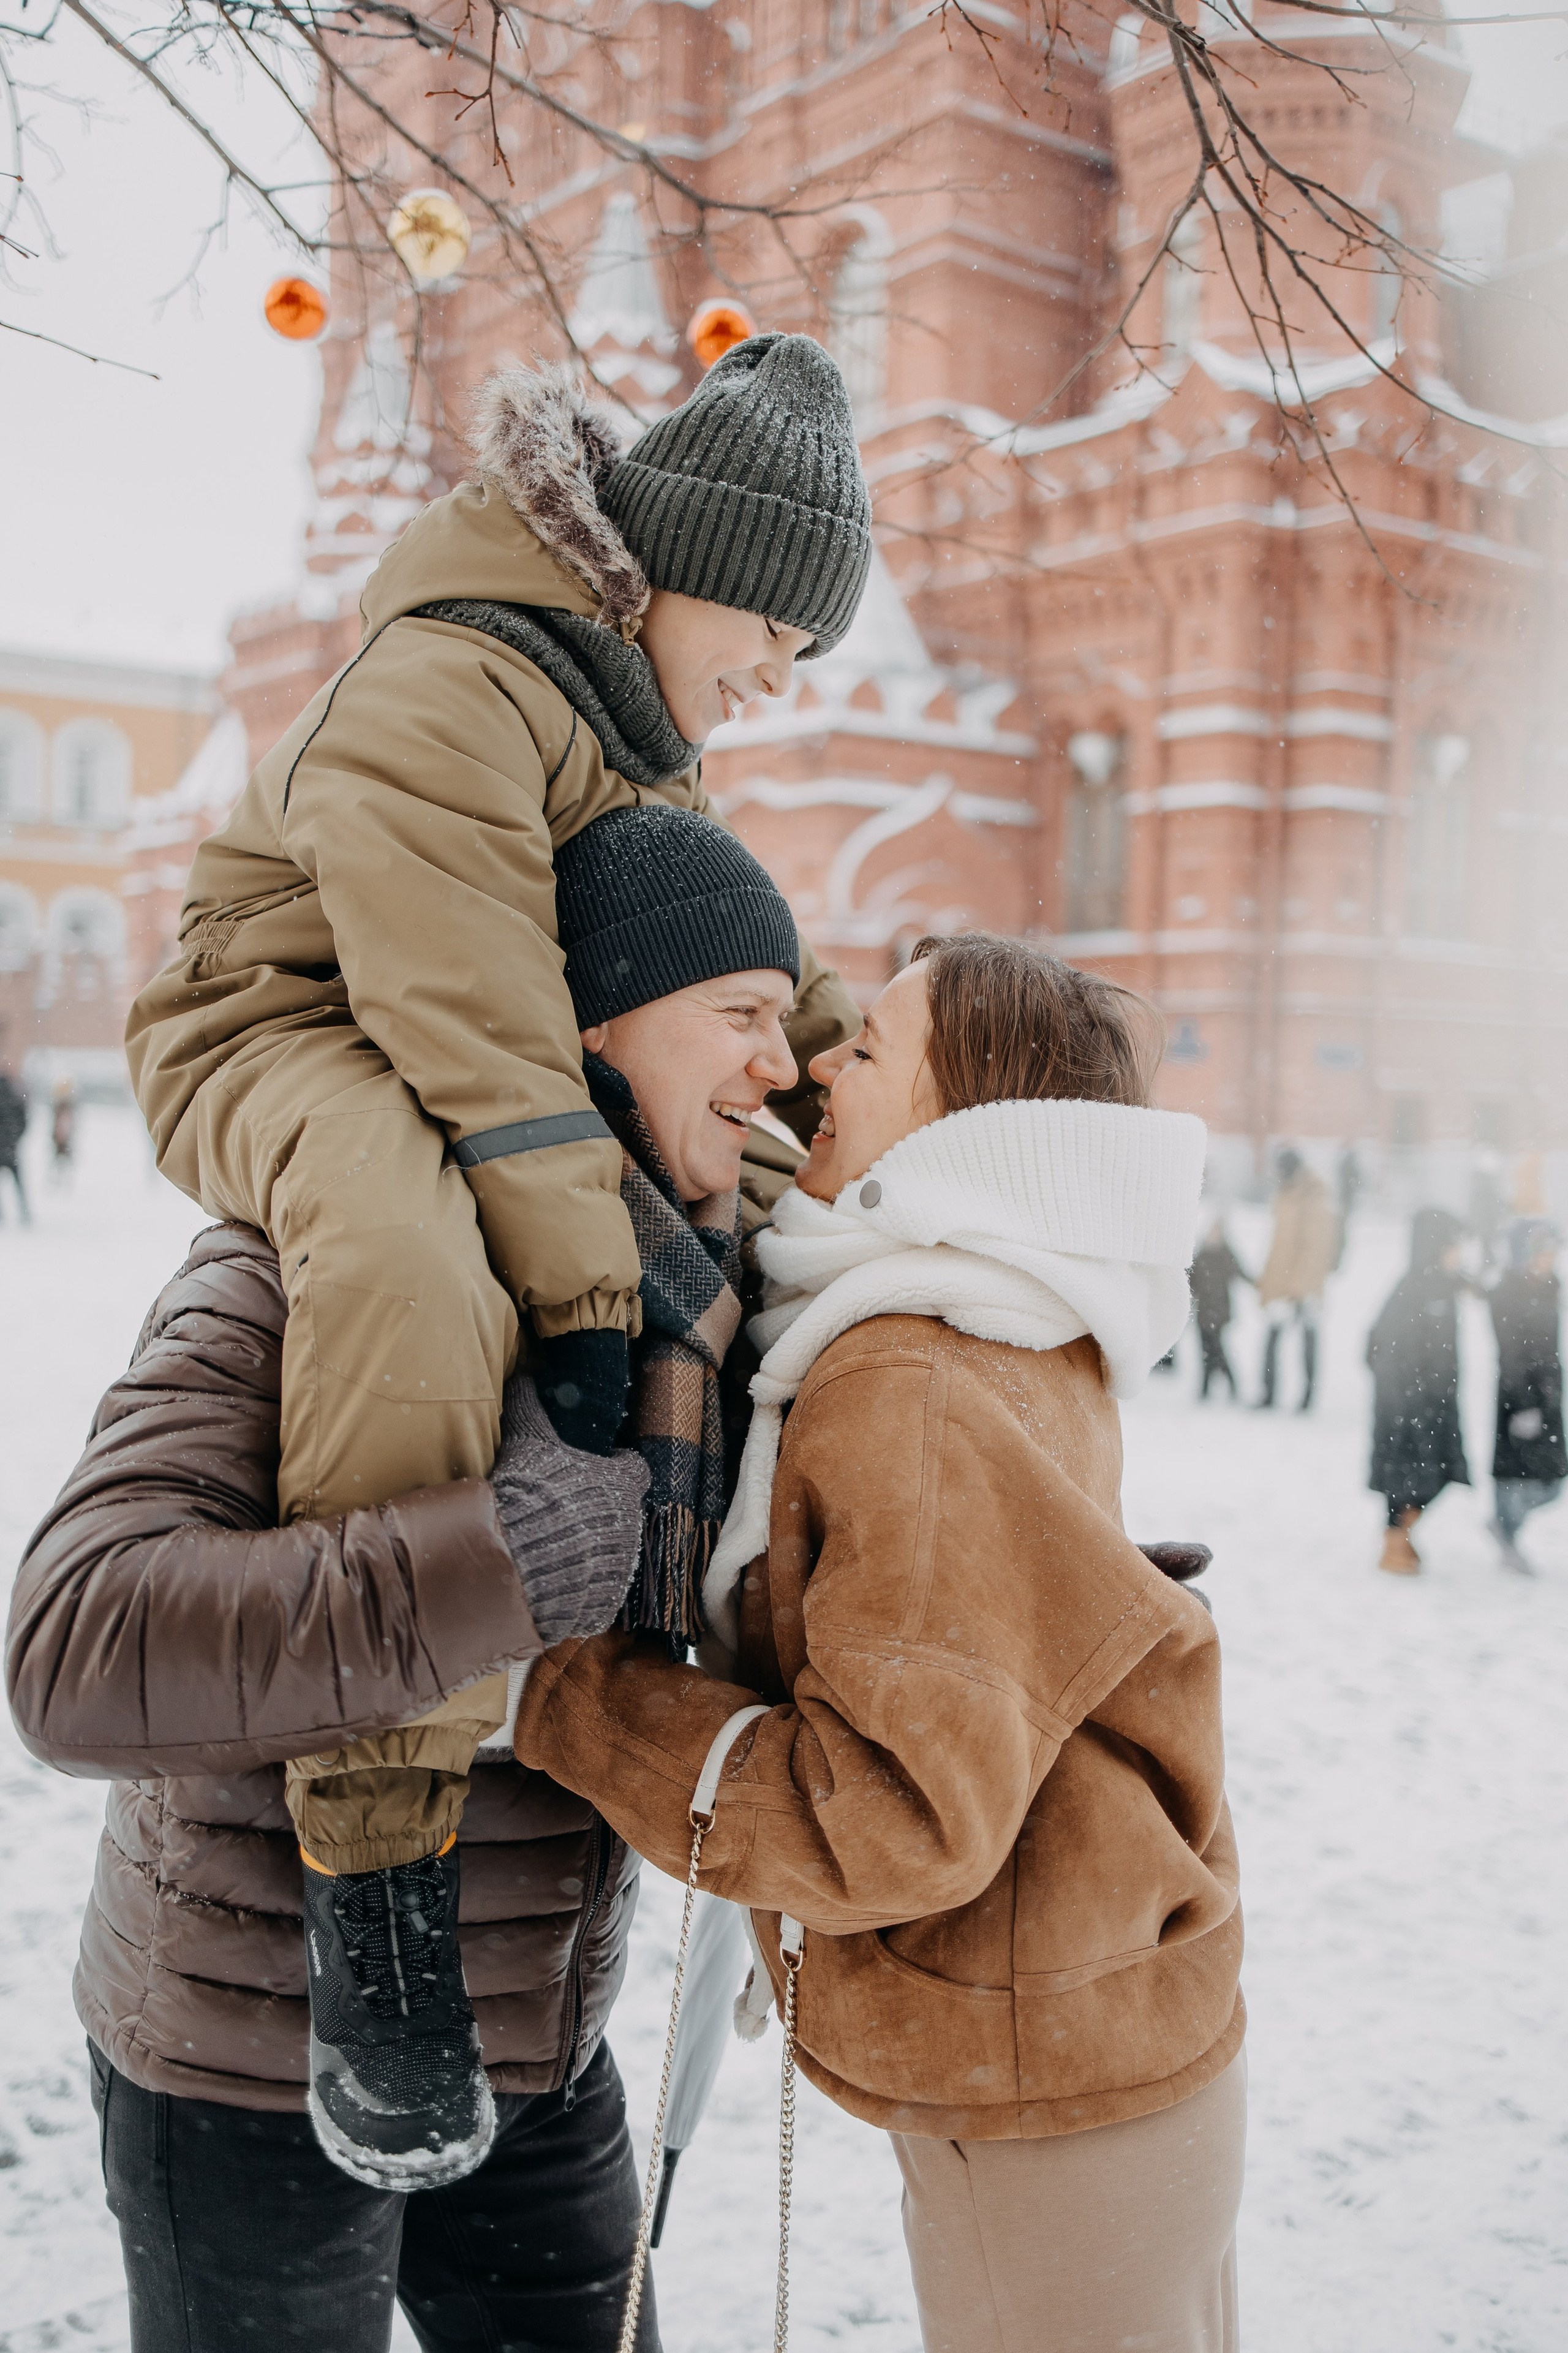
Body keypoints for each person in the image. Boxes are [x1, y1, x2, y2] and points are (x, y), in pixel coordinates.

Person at [120, 338, 869, 2179]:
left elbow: (724, 958)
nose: (777, 683)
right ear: (688, 565)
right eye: (775, 635)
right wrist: (601, 1292)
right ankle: (374, 1868)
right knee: (409, 1240)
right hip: (280, 1026)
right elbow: (465, 1018)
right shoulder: (454, 674)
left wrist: (875, 1090)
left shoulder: (638, 738)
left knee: (744, 1186)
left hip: (458, 1031)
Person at [5, 804, 804, 2346]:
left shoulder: (700, 1296)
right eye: (743, 1015)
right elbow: (78, 1647)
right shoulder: (309, 1256)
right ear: (592, 1019)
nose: (780, 1062)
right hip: (246, 2058)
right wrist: (503, 1556)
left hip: (537, 2046)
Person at [516, 934, 1246, 2353]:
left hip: (1049, 2103)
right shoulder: (1021, 1300)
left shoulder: (905, 1374)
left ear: (962, 1114)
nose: (822, 1062)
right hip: (1109, 2034)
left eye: (869, 1048)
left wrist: (561, 1700)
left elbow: (892, 1817)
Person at [1366, 1206, 1470, 1575]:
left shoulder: (1441, 1284)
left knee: (1437, 1472)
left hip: (1435, 1400)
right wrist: (1410, 1399)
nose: (1460, 1253)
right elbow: (1379, 1346)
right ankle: (1395, 1541)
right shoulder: (1414, 1289)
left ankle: (1402, 1535)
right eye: (1454, 1245)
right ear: (1435, 1246)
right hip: (1412, 1404)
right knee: (1411, 1473)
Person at [1487, 1217, 1566, 1573]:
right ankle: (1507, 1535)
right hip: (1519, 1396)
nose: (1550, 1258)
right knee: (1513, 1475)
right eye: (1542, 1252)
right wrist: (1524, 1405)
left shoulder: (1550, 1285)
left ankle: (1504, 1528)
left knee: (1551, 1481)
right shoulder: (1507, 1292)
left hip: (1547, 1394)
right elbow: (1511, 1352)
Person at [1256, 1146, 1340, 1411]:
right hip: (1281, 1282)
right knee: (1272, 1339)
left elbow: (1317, 1249)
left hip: (1305, 1287)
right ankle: (1268, 1394)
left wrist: (1300, 1287)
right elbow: (1279, 1244)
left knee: (1308, 1342)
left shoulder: (1314, 1196)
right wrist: (1267, 1281)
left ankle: (1307, 1399)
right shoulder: (1285, 1193)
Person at [1192, 1214, 1250, 1399]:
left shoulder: (1226, 1254)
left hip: (1220, 1312)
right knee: (1205, 1351)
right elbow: (1191, 1281)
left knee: (1217, 1351)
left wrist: (1264, 1286)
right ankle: (1206, 1389)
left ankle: (1231, 1384)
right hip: (1203, 1312)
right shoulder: (1202, 1254)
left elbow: (1241, 1274)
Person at [0, 1066, 28, 1223]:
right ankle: (24, 1212)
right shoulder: (14, 1097)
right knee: (19, 1183)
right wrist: (15, 1139)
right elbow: (24, 1120)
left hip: (5, 1147)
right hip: (11, 1149)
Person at [49, 1074, 76, 1185]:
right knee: (59, 1160)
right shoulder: (61, 1107)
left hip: (63, 1138)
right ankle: (59, 1180)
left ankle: (62, 1181)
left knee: (62, 1160)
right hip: (61, 1138)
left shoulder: (65, 1107)